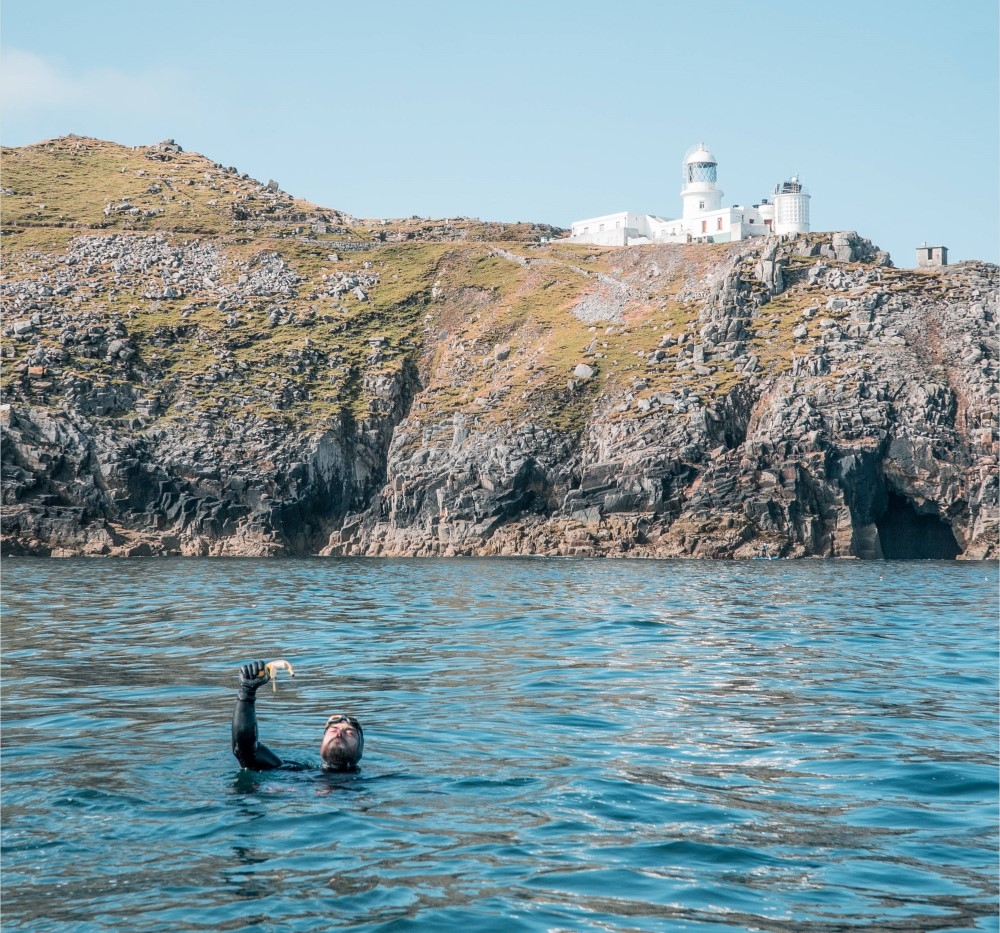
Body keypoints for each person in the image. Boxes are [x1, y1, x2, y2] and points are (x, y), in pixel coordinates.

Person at [231, 660, 364, 771]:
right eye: (333, 730)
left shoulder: (370, 782)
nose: (339, 734)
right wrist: (246, 693)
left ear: (360, 751)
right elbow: (246, 751)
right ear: (321, 744)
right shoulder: (293, 771)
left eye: (350, 733)